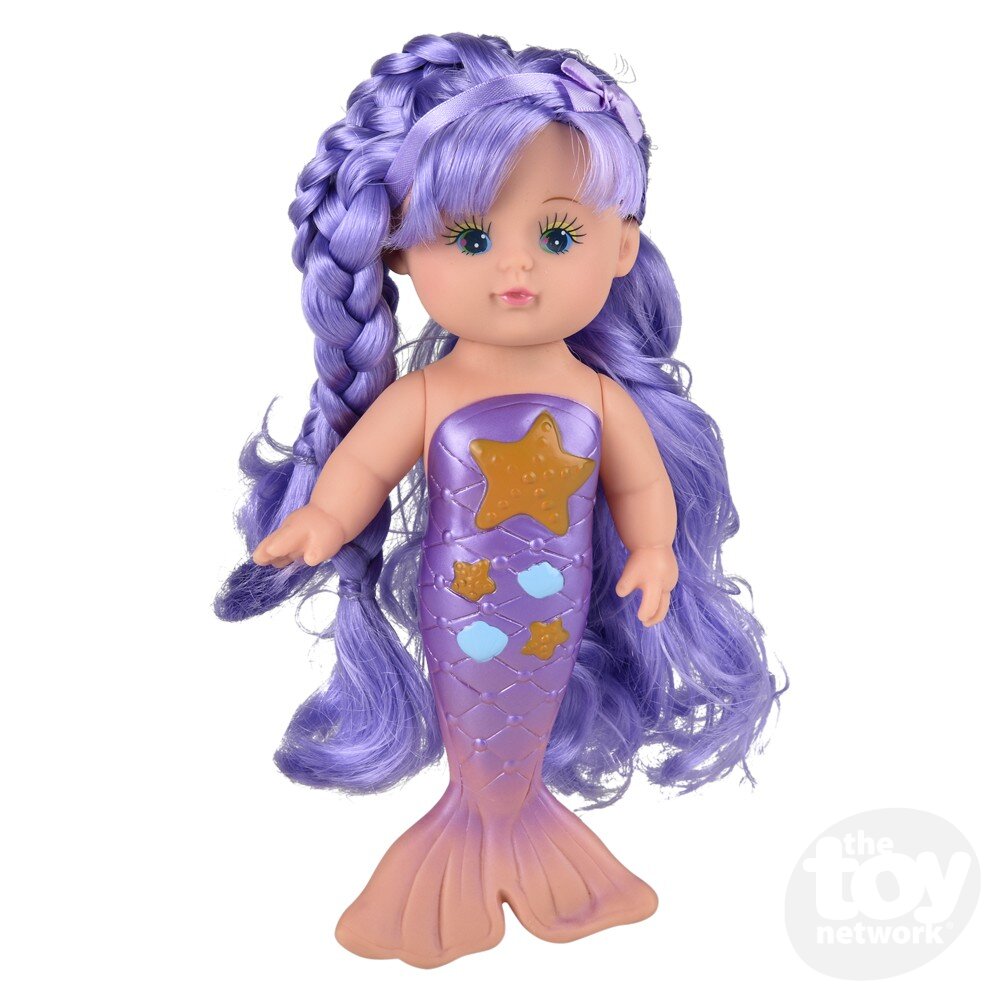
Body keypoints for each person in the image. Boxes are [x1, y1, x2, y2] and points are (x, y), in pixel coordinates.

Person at [216, 31, 784, 968]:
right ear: (401, 254)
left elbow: (641, 483)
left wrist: (653, 550)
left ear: (621, 246)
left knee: (530, 716)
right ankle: (477, 824)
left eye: (557, 236)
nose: (515, 271)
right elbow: (362, 470)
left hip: (554, 619)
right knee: (483, 721)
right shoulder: (429, 395)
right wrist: (321, 518)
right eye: (471, 239)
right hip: (463, 611)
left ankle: (514, 821)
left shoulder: (599, 397)